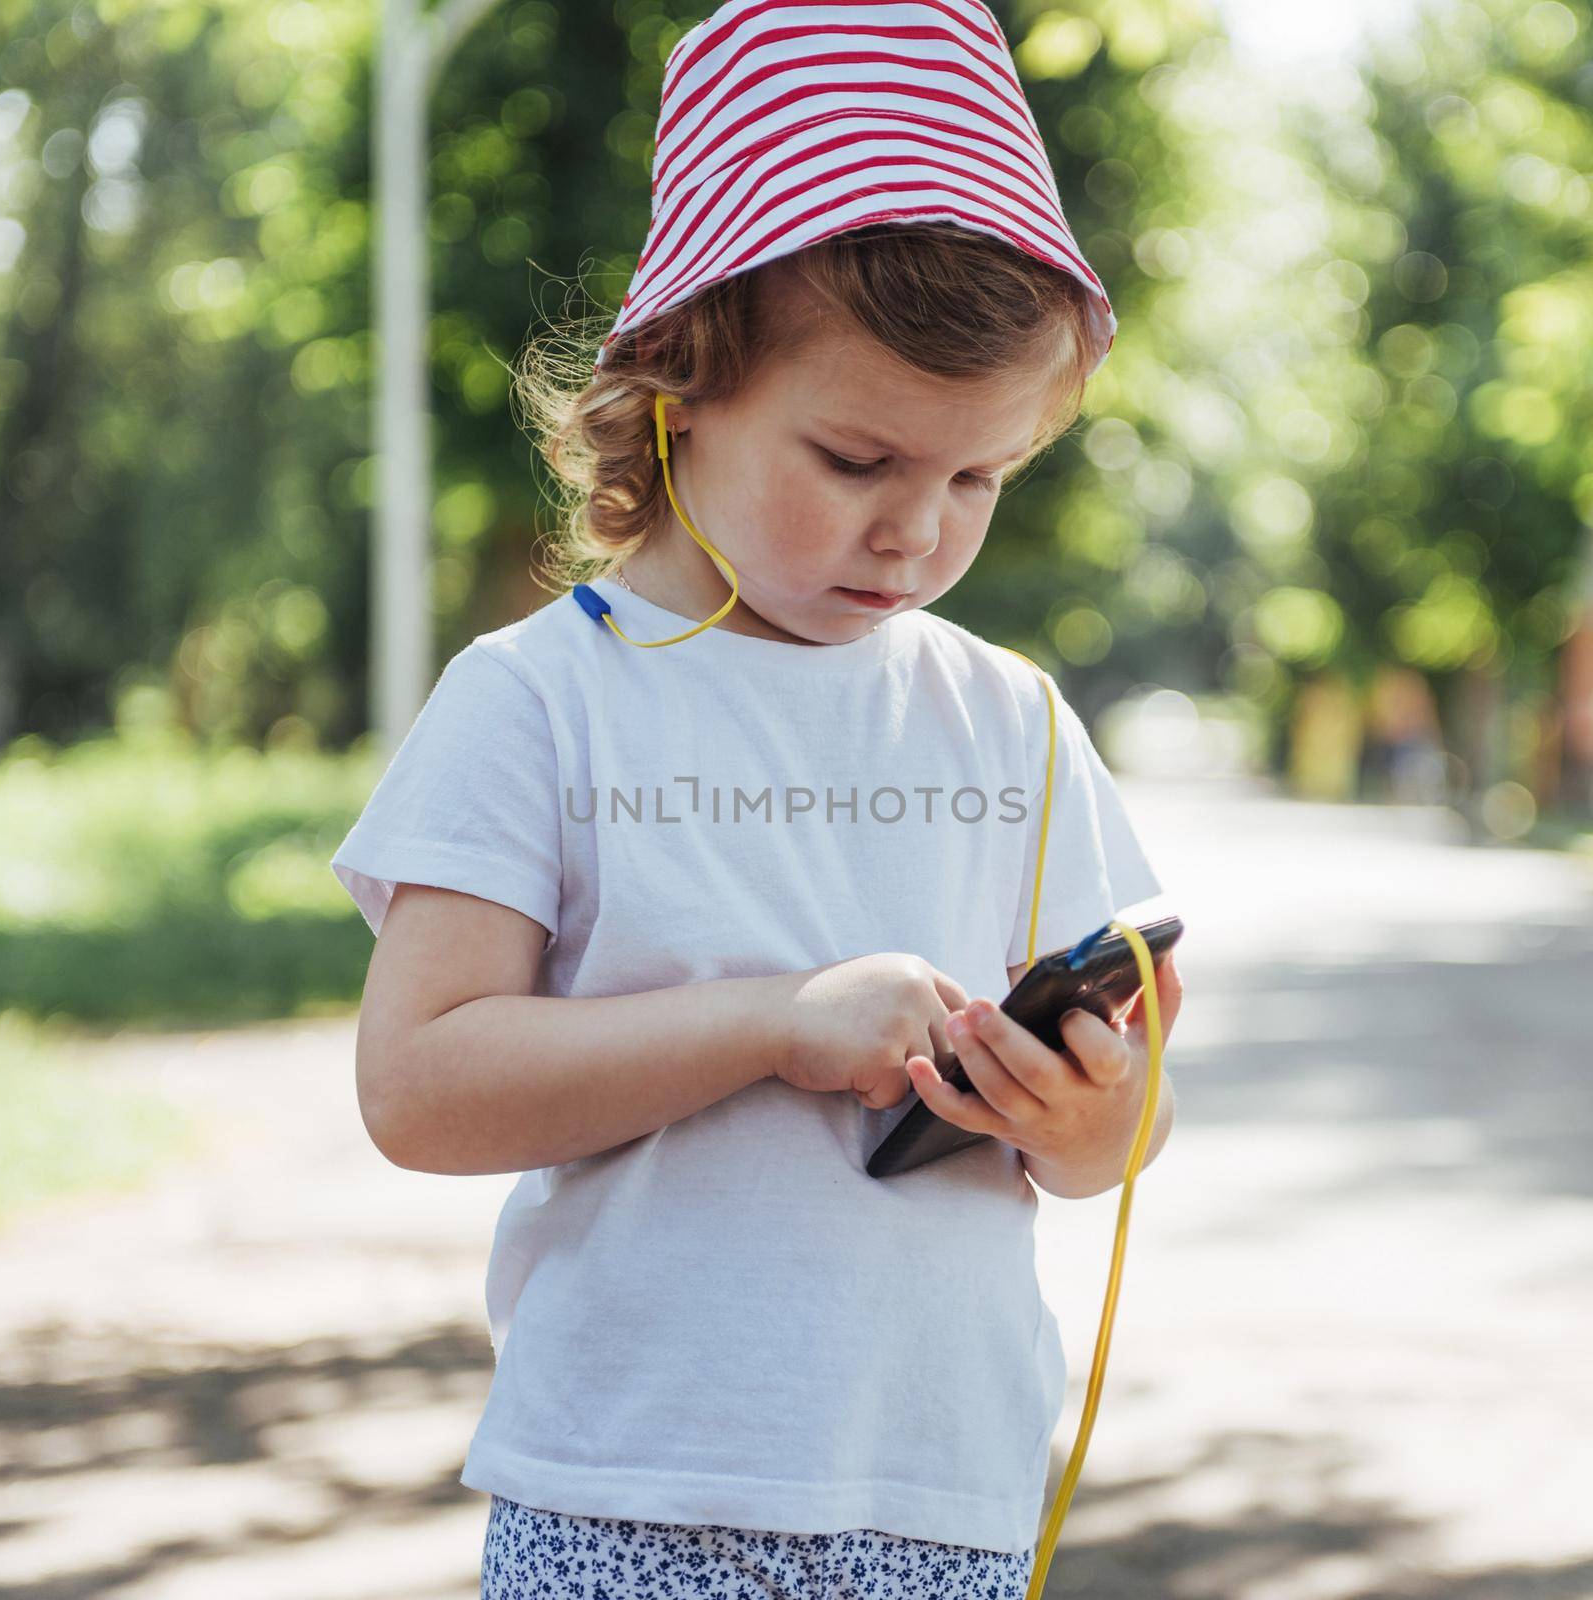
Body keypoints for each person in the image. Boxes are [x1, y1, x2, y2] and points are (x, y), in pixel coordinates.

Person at [331, 2, 1185, 1594]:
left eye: (976, 479)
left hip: (944, 1498)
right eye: (859, 460)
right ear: (681, 376)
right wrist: (778, 1023)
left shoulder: (1011, 722)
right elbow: (420, 1087)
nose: (917, 535)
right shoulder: (539, 700)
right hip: (630, 1496)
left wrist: (1092, 1119)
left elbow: (1099, 1148)